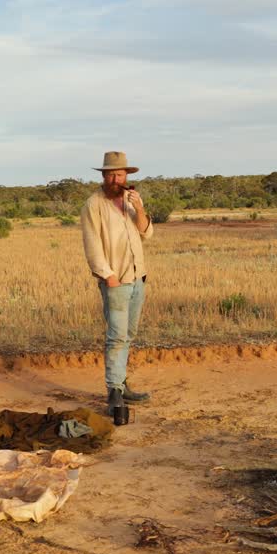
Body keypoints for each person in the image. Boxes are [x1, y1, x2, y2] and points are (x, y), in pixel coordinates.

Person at [80, 151, 153, 425]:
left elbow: (147, 233)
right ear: (103, 176)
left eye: (120, 174)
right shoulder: (93, 205)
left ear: (126, 176)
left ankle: (122, 385)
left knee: (128, 334)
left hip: (137, 277)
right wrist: (108, 275)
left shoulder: (131, 200)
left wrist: (139, 208)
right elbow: (92, 244)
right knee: (116, 337)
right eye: (111, 175)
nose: (116, 179)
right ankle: (114, 393)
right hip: (116, 280)